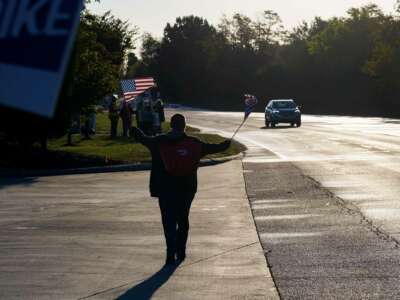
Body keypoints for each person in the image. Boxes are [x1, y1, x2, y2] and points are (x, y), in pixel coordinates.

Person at [132, 114, 231, 265]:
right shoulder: (194, 143)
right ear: (184, 126)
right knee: (182, 219)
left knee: (168, 220)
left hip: (165, 188)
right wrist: (225, 144)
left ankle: (170, 253)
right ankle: (181, 251)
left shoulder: (158, 141)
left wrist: (135, 130)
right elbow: (214, 148)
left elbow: (143, 139)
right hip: (187, 188)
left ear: (171, 125)